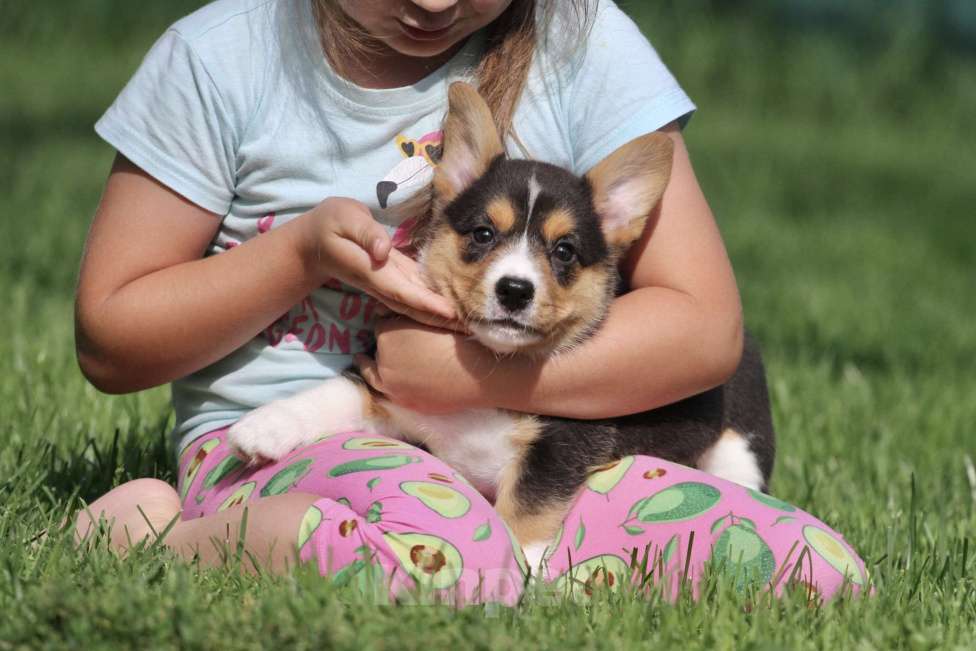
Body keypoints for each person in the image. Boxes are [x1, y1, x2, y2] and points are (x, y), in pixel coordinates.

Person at [73, 0, 868, 605]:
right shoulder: (217, 61)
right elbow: (110, 340)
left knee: (814, 568)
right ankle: (157, 535)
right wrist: (298, 256)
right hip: (290, 455)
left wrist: (467, 376)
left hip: (551, 458)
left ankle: (528, 560)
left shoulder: (583, 44)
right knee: (464, 560)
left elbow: (706, 330)